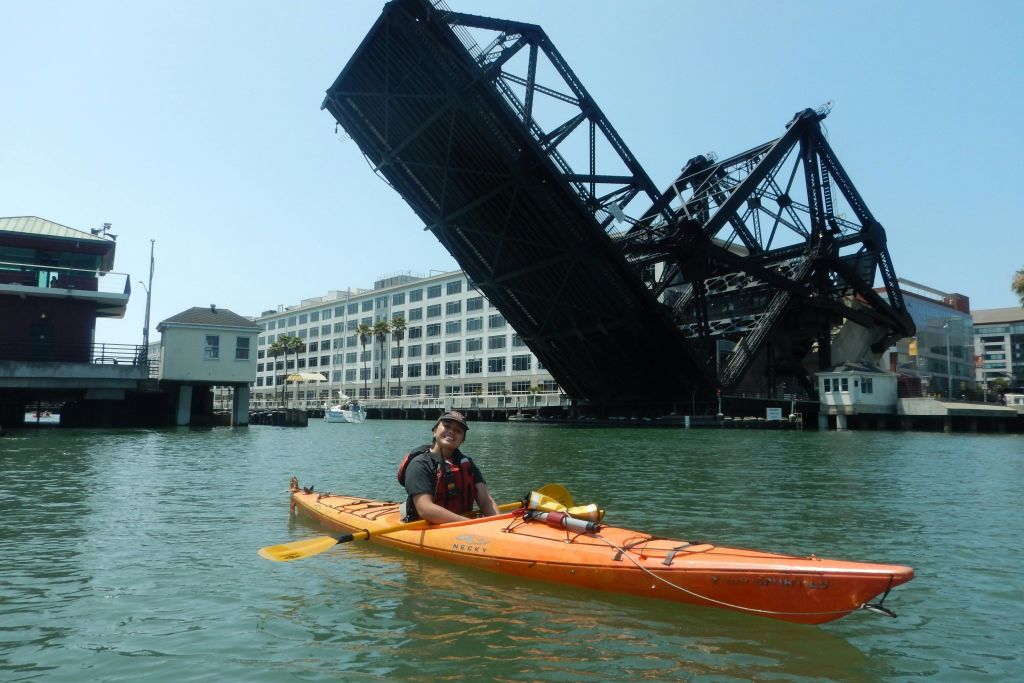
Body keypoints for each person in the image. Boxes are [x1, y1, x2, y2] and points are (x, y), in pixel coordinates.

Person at [400, 410, 499, 523]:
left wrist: (497, 524)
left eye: (458, 430)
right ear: (434, 431)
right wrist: (469, 524)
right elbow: (425, 509)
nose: (451, 431)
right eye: (446, 426)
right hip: (426, 527)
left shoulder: (468, 464)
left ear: (462, 440)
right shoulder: (419, 464)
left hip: (461, 526)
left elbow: (486, 500)